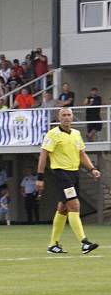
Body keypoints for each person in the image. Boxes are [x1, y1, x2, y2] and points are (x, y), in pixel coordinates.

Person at [37, 107, 101, 254]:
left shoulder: (77, 134)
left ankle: (53, 245)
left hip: (74, 173)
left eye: (69, 115)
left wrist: (92, 169)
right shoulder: (52, 134)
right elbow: (43, 155)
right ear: (59, 118)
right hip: (61, 174)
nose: (66, 117)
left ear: (72, 117)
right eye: (63, 115)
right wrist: (39, 177)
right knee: (75, 206)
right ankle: (84, 242)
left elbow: (81, 154)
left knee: (63, 208)